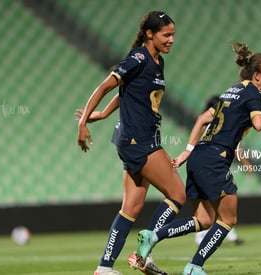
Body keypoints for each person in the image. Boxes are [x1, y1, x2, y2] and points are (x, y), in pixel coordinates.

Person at [134, 41, 261, 275]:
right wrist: (260, 116)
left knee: (204, 218)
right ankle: (194, 267)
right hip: (215, 159)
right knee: (227, 219)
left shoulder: (232, 90)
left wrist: (187, 151)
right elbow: (259, 125)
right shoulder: (254, 94)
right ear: (257, 75)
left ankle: (153, 235)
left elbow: (201, 119)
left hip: (199, 156)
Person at [77, 11, 186, 275]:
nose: (171, 39)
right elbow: (106, 86)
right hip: (140, 141)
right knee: (178, 195)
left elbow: (130, 91)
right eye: (166, 34)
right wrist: (82, 124)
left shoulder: (157, 62)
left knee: (131, 209)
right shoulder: (138, 58)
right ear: (150, 34)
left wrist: (103, 114)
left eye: (173, 34)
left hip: (133, 140)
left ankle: (104, 267)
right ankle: (142, 252)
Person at [194, 95, 245, 246]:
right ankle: (204, 235)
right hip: (211, 165)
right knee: (216, 200)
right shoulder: (216, 124)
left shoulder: (204, 122)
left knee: (214, 201)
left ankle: (227, 233)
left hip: (206, 164)